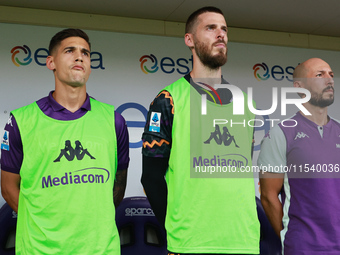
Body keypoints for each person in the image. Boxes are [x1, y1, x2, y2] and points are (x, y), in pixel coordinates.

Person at [141, 6, 260, 255]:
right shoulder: (168, 99)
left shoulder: (246, 104)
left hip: (243, 241)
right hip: (189, 243)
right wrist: (174, 229)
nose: (221, 34)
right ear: (189, 40)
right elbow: (151, 178)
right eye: (211, 28)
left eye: (224, 29)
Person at [0, 28, 129, 254]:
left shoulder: (114, 120)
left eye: (85, 53)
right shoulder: (21, 120)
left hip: (100, 249)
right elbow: (9, 187)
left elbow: (118, 185)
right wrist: (41, 222)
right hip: (39, 249)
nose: (80, 56)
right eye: (70, 50)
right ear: (51, 62)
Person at [258, 58, 339, 254]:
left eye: (331, 75)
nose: (329, 80)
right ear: (299, 87)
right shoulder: (281, 133)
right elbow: (268, 196)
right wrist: (288, 235)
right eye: (319, 75)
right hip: (303, 247)